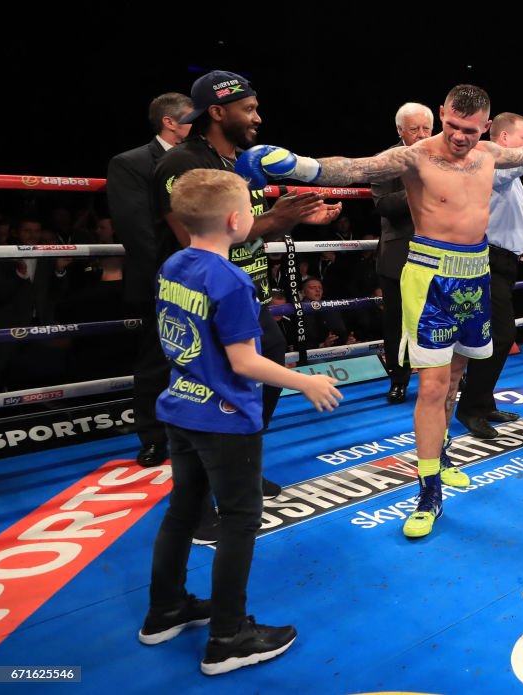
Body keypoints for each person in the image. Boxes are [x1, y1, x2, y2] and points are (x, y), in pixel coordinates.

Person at [235, 84, 523, 537]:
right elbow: (354, 168)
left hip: (476, 275)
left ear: (485, 126)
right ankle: (428, 491)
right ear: (441, 114)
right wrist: (297, 165)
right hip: (430, 276)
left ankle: (445, 451)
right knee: (432, 388)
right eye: (452, 126)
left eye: (469, 130)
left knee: (456, 377)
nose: (459, 136)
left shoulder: (490, 153)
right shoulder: (415, 157)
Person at [139, 168, 341, 675]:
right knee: (238, 519)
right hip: (223, 415)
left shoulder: (173, 264)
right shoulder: (229, 279)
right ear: (236, 219)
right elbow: (245, 361)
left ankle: (165, 610)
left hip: (180, 404)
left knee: (184, 508)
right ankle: (228, 636)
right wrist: (307, 382)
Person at [156, 69, 341, 540]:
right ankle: (200, 504)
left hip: (247, 287)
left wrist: (298, 219)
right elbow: (193, 238)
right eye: (248, 109)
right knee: (213, 388)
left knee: (270, 359)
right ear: (217, 112)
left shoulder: (243, 160)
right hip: (207, 294)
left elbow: (250, 225)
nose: (257, 117)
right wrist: (275, 219)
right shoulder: (185, 164)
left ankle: (239, 465)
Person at [456, 112, 523, 439]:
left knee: (497, 335)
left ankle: (483, 402)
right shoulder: (490, 160)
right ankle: (470, 408)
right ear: (503, 139)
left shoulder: (510, 176)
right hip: (485, 261)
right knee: (500, 334)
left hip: (504, 262)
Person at [106, 92, 193, 465]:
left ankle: (194, 430)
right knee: (158, 359)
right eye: (191, 118)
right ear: (169, 122)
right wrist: (174, 275)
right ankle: (154, 438)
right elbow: (137, 232)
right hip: (163, 276)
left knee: (200, 357)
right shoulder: (132, 163)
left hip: (203, 274)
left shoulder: (197, 159)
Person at [371, 102, 433, 404]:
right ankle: (399, 380)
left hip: (442, 251)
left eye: (426, 128)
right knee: (397, 322)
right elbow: (382, 204)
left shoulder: (448, 155)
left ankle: (452, 375)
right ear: (400, 131)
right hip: (400, 252)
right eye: (414, 129)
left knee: (443, 316)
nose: (422, 135)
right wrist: (420, 184)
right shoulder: (387, 160)